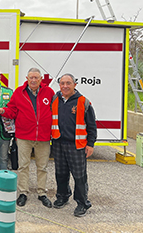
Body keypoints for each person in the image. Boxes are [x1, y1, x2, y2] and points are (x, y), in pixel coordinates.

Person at [0, 67, 54, 208]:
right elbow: (12, 110)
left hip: (43, 136)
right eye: (31, 77)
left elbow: (56, 111)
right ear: (27, 78)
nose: (33, 80)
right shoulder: (18, 93)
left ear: (41, 79)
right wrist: (3, 111)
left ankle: (42, 193)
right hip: (24, 136)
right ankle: (23, 192)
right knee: (23, 166)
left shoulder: (49, 92)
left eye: (36, 77)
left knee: (42, 167)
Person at [51, 73, 97, 217]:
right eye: (62, 83)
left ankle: (82, 203)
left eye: (68, 83)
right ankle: (63, 196)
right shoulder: (55, 99)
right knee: (61, 174)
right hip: (58, 143)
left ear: (75, 85)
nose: (65, 86)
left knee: (79, 176)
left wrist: (90, 144)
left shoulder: (83, 102)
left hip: (76, 146)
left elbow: (92, 126)